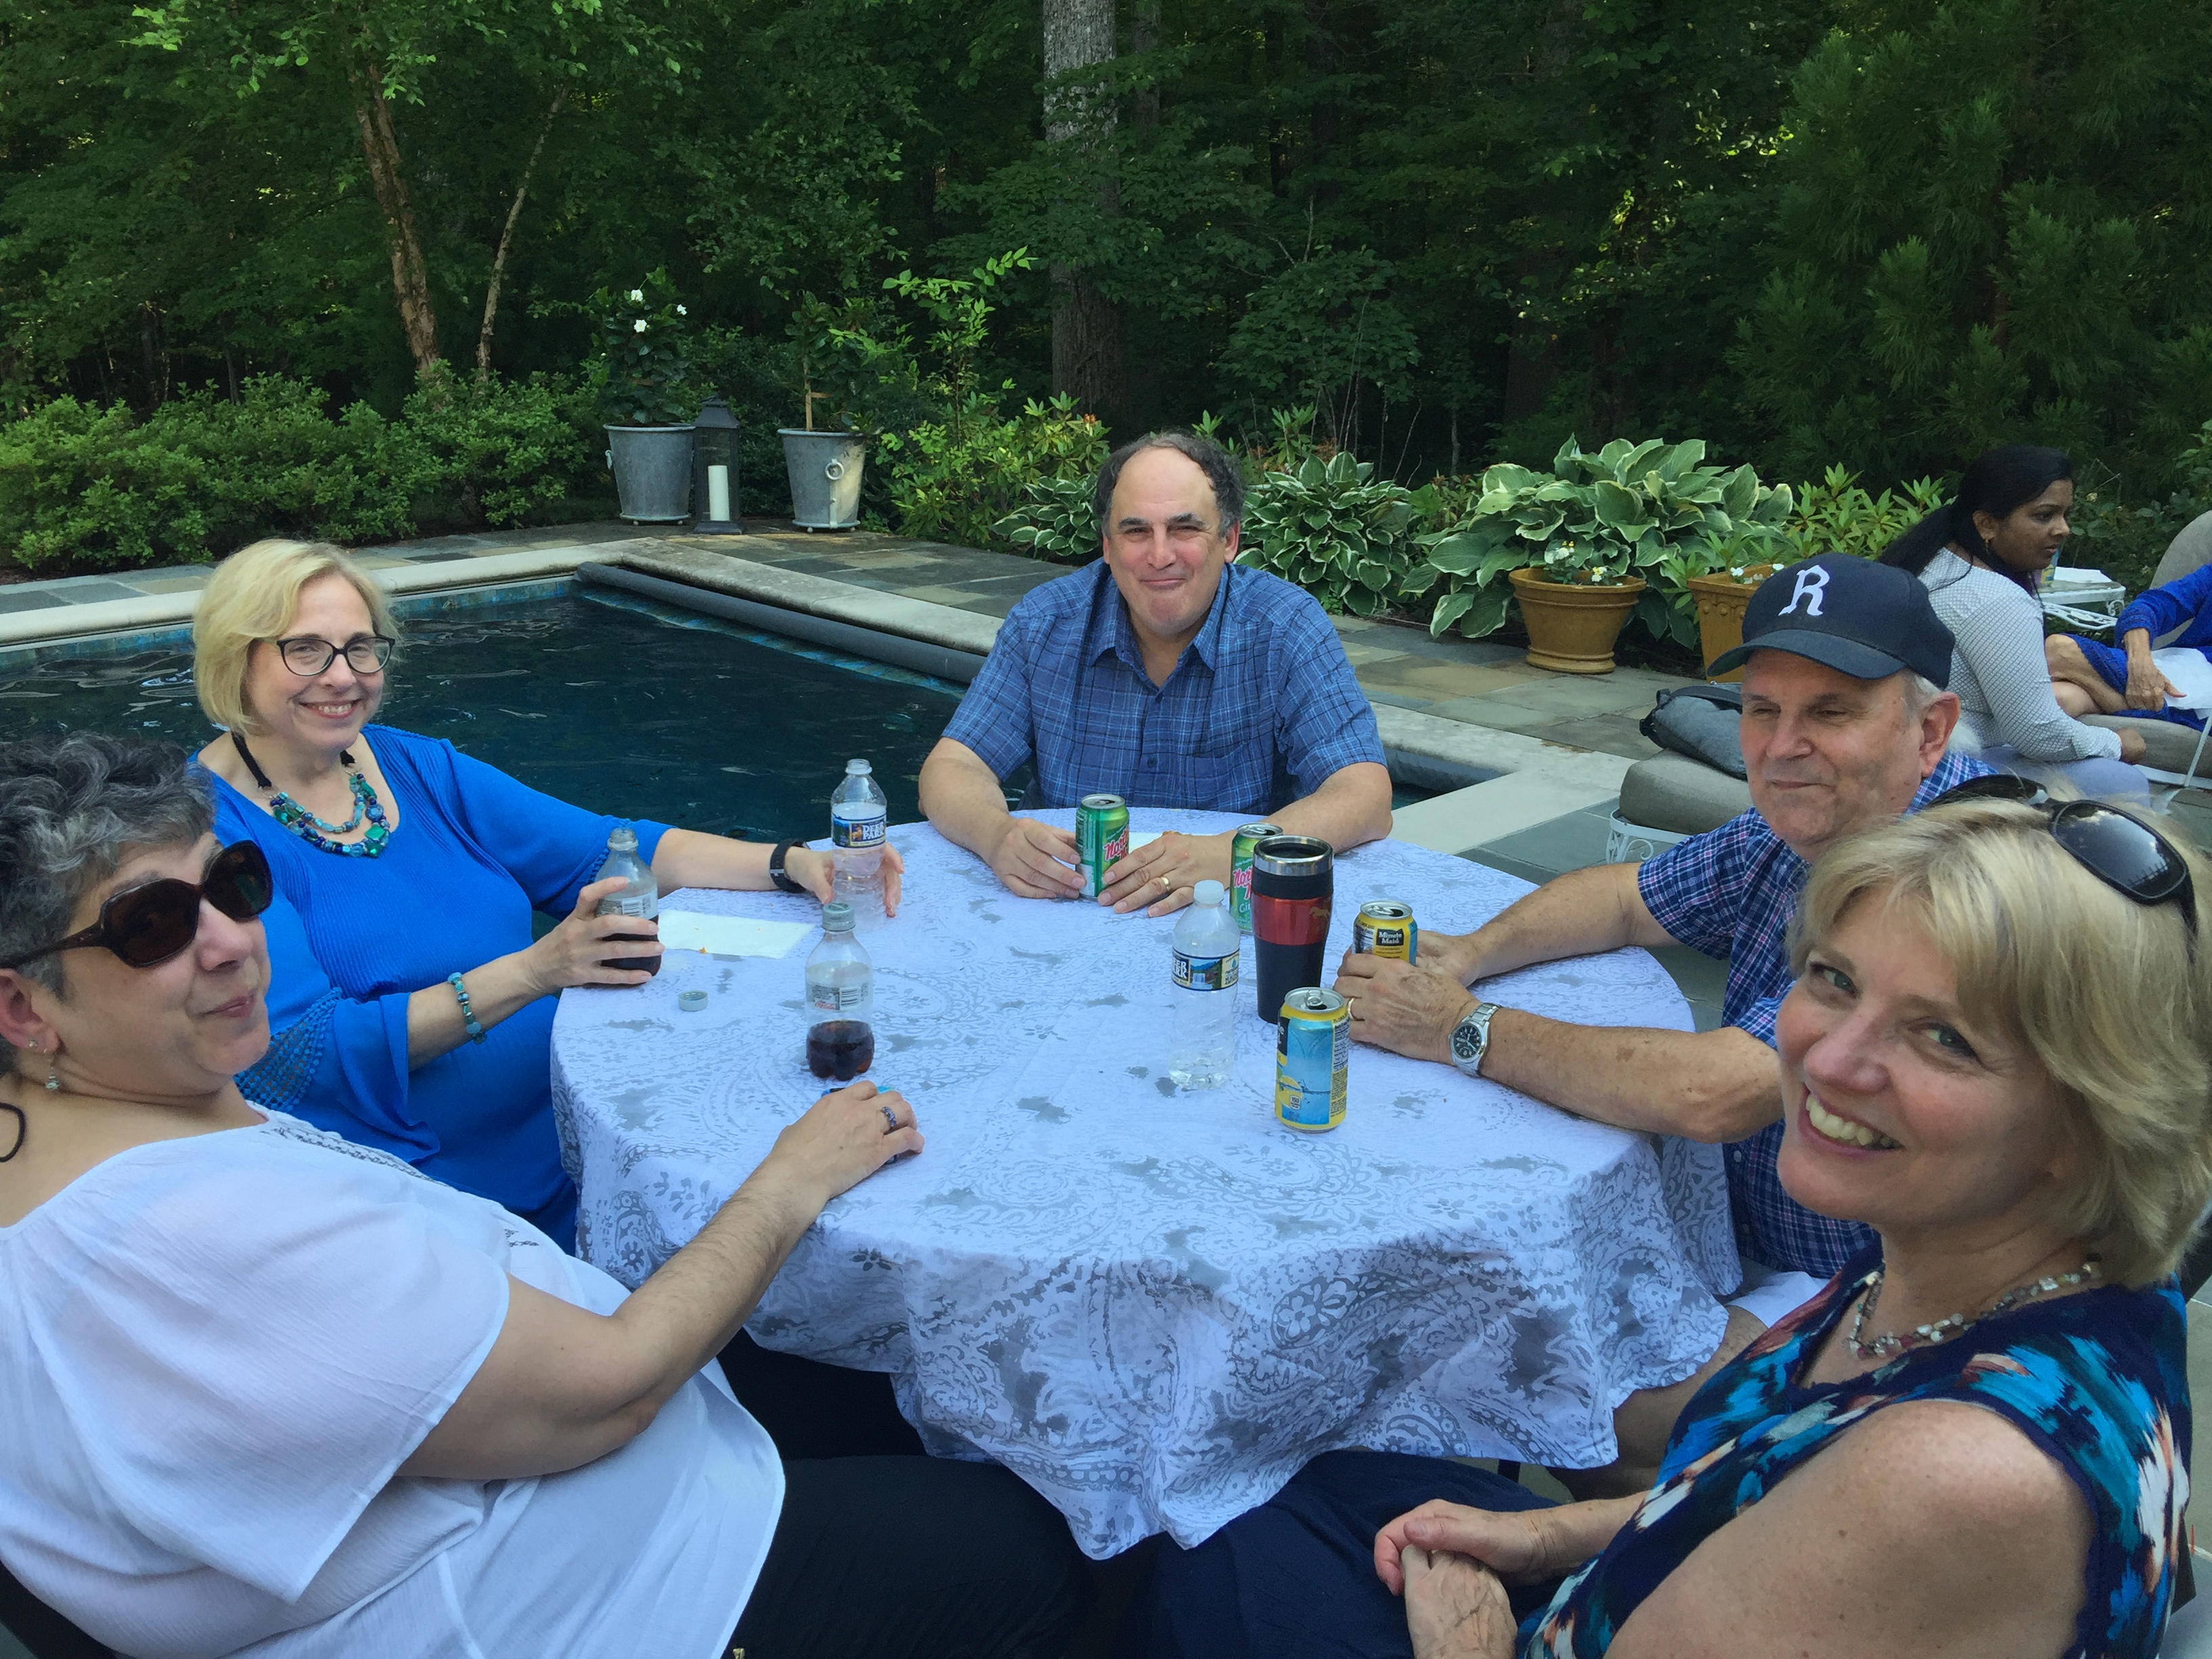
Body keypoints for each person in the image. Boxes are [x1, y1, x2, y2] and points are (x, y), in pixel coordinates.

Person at [0, 731, 1084, 1659]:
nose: (234, 942)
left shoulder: (92, 1134)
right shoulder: (189, 1241)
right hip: (613, 1594)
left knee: (898, 1382)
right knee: (1054, 1536)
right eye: (151, 928)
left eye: (233, 884)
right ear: (22, 1009)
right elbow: (611, 1390)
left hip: (550, 1472)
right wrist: (791, 1178)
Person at [1128, 780, 2206, 1659]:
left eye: (1945, 1038)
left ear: (2092, 1120)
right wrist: (1539, 1535)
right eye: (1834, 980)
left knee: (1197, 1540)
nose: (1829, 1060)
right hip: (1621, 1575)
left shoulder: (1955, 1475)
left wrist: (1466, 1633)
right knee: (1263, 1465)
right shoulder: (1984, 1273)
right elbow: (1758, 1483)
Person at [1333, 557, 1988, 1483]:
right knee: (1499, 1281)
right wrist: (1470, 954)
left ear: (1930, 730)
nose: (1783, 746)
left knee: (1550, 1377)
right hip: (1755, 1228)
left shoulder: (1954, 885)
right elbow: (1624, 899)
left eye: (1830, 712)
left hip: (1891, 1292)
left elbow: (1712, 1093)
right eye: (1761, 710)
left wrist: (1460, 1027)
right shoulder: (1811, 825)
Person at [189, 538, 901, 1249]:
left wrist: (790, 862)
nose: (343, 677)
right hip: (440, 1192)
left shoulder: (413, 765)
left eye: (360, 648)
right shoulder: (205, 834)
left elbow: (602, 851)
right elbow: (302, 1054)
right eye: (306, 651)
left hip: (586, 1120)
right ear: (234, 659)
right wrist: (537, 969)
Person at [918, 431, 1393, 917]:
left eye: (1184, 529)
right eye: (1136, 531)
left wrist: (1230, 854)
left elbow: (1366, 794)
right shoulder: (1044, 624)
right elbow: (951, 767)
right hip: (1064, 906)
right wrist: (997, 835)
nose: (1160, 555)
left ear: (1229, 540)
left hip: (1221, 913)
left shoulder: (1286, 627)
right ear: (1107, 546)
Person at [1877, 444, 2150, 794]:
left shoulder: (1929, 561)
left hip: (1895, 749)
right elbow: (2037, 734)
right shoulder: (1997, 599)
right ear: (1986, 524)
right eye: (2044, 516)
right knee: (2124, 782)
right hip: (1940, 766)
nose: (2063, 529)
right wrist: (2117, 743)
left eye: (2065, 515)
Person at [2048, 556, 2212, 734]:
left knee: (2060, 650)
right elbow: (2151, 605)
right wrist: (2140, 663)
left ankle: (2154, 709)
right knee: (2060, 698)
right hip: (2180, 668)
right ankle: (2146, 709)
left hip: (2201, 701)